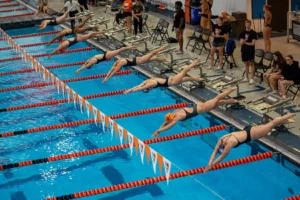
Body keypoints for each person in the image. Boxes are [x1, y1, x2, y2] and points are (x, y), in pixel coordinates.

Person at [204, 113, 296, 173]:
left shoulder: (229, 144)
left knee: (271, 124)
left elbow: (221, 157)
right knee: (271, 125)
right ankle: (286, 120)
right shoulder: (222, 139)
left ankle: (288, 115)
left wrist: (210, 166)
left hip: (252, 134)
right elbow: (214, 152)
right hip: (248, 129)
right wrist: (209, 164)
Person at [152, 87, 237, 137]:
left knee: (217, 99)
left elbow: (168, 126)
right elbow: (166, 123)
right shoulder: (175, 112)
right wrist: (157, 130)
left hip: (202, 109)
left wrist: (159, 131)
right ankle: (231, 101)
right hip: (197, 106)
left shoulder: (177, 118)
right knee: (216, 103)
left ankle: (230, 90)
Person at [124, 58, 204, 94]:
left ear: (147, 88)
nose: (151, 89)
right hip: (169, 79)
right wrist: (130, 89)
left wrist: (129, 91)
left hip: (171, 82)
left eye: (149, 90)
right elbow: (139, 86)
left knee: (184, 71)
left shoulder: (149, 84)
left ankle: (195, 62)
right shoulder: (146, 81)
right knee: (185, 78)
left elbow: (139, 88)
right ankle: (197, 79)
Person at [102, 45, 169, 83]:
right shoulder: (117, 62)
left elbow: (114, 72)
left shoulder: (120, 64)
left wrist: (107, 79)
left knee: (153, 53)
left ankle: (165, 46)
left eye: (119, 70)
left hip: (140, 60)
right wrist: (106, 77)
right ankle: (165, 59)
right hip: (137, 59)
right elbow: (111, 70)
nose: (119, 70)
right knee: (153, 59)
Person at [239, 20, 258, 85]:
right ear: (245, 24)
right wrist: (245, 40)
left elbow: (252, 43)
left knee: (252, 64)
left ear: (251, 25)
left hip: (251, 50)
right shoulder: (242, 32)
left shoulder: (253, 33)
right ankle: (246, 77)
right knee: (246, 64)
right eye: (246, 24)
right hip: (244, 50)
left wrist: (245, 42)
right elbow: (241, 42)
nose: (248, 25)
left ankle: (252, 78)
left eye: (249, 24)